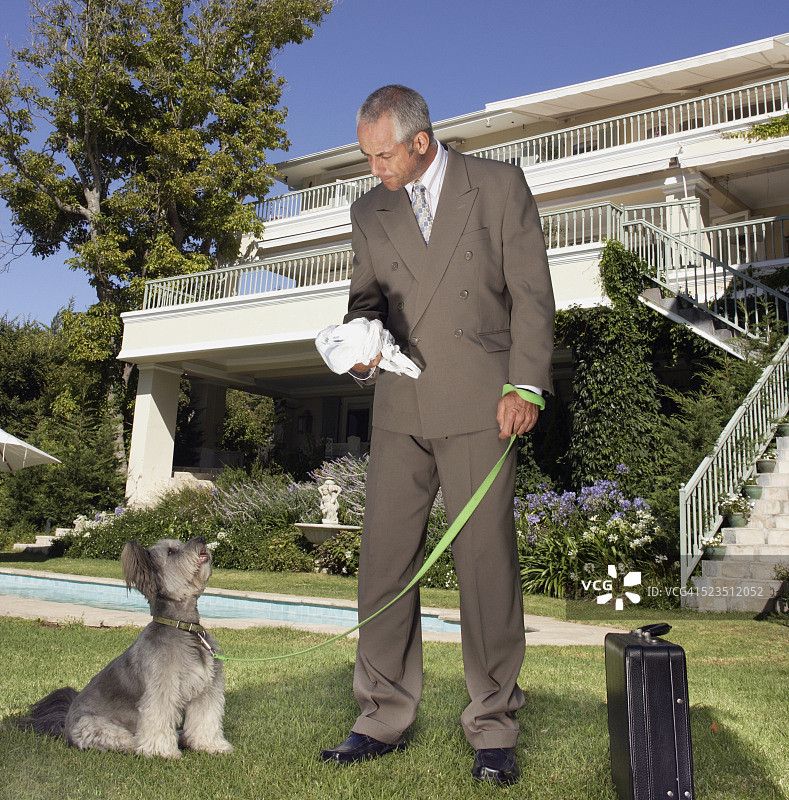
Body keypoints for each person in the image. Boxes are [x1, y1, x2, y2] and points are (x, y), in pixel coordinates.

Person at [319, 85, 554, 785]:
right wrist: (360, 343)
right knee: (383, 565)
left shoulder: (497, 185)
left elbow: (531, 294)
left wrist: (525, 385)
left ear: (420, 141)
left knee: (484, 568)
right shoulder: (369, 211)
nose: (374, 168)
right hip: (398, 406)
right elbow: (366, 302)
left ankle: (493, 727)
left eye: (382, 154)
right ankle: (379, 717)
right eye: (367, 155)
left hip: (483, 404)